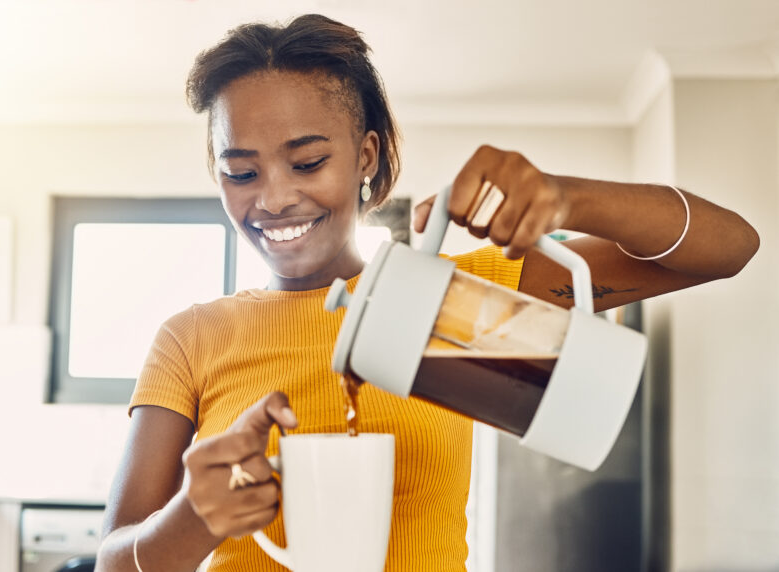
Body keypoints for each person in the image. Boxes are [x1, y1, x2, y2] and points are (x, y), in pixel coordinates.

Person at [96, 13, 759, 572]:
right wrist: (193, 518)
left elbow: (729, 247)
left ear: (368, 155)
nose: (272, 198)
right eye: (240, 172)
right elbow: (112, 562)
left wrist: (567, 198)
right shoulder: (191, 339)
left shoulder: (458, 298)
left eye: (307, 162)